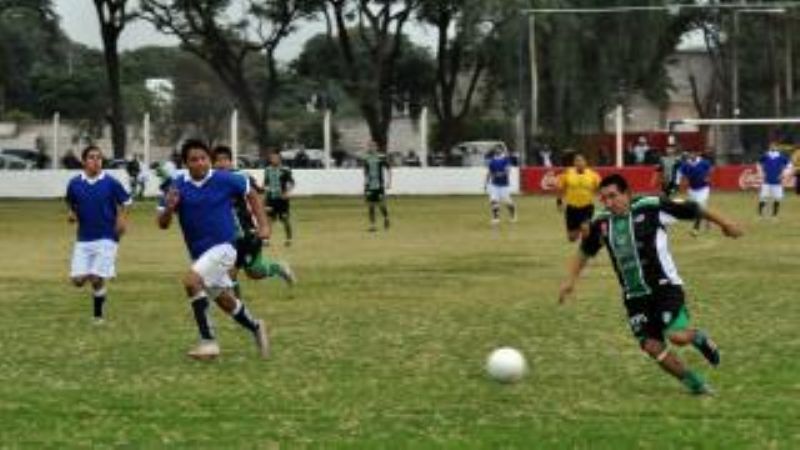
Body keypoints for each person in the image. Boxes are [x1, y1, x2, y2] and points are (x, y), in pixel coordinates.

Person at [558, 174, 743, 395]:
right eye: (604, 198)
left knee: (677, 336)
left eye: (613, 196)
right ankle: (696, 384)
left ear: (627, 194)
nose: (608, 202)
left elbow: (694, 208)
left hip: (665, 287)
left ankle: (697, 337)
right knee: (652, 346)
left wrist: (726, 224)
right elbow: (584, 251)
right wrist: (570, 280)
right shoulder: (601, 223)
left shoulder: (651, 206)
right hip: (634, 296)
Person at [157, 139, 271, 360]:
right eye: (194, 159)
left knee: (191, 282)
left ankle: (208, 342)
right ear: (185, 163)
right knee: (224, 300)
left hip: (225, 248)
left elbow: (251, 193)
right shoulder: (177, 186)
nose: (200, 163)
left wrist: (264, 225)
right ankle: (257, 327)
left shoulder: (225, 179)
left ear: (208, 159)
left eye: (203, 158)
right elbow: (162, 224)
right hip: (201, 255)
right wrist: (169, 209)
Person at [212, 145, 295, 292]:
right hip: (226, 234)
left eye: (225, 159)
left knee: (254, 272)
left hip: (246, 233)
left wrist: (264, 211)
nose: (221, 163)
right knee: (231, 273)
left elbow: (258, 191)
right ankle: (238, 309)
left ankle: (278, 268)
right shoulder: (210, 181)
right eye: (217, 160)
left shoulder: (240, 177)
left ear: (231, 162)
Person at [65, 145, 132, 323]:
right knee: (78, 281)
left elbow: (127, 201)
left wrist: (121, 219)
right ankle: (101, 273)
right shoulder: (74, 183)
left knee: (95, 278)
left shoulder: (110, 182)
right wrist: (71, 213)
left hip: (107, 236)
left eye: (99, 158)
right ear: (84, 161)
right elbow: (71, 203)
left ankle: (98, 317)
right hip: (84, 238)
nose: (96, 161)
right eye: (92, 157)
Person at [556, 153, 600, 241]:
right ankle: (581, 230)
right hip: (572, 208)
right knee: (572, 238)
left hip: (587, 207)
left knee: (585, 228)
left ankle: (586, 245)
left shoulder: (593, 175)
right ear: (574, 163)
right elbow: (560, 188)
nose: (579, 163)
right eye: (576, 161)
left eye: (581, 160)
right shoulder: (567, 173)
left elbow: (601, 188)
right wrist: (559, 201)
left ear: (585, 162)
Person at [677, 149, 713, 236]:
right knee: (696, 208)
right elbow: (681, 174)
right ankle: (708, 219)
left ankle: (695, 228)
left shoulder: (704, 162)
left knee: (699, 207)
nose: (691, 155)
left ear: (697, 153)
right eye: (690, 153)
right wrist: (680, 184)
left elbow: (710, 169)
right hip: (692, 189)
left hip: (703, 188)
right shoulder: (686, 164)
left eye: (693, 153)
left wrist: (707, 177)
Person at [263, 151, 296, 246]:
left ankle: (289, 239)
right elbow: (266, 183)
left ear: (280, 159)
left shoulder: (285, 169)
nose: (273, 160)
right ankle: (266, 240)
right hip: (271, 198)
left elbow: (291, 183)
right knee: (269, 219)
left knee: (285, 219)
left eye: (276, 158)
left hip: (282, 199)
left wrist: (287, 192)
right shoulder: (268, 170)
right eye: (272, 158)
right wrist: (265, 195)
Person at [756, 144, 792, 218]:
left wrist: (784, 174)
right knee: (763, 197)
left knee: (777, 198)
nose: (773, 147)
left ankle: (774, 215)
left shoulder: (781, 157)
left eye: (774, 146)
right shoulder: (766, 156)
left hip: (777, 182)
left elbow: (789, 165)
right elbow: (758, 163)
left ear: (777, 148)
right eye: (771, 146)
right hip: (767, 181)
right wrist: (761, 172)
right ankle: (760, 214)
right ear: (769, 147)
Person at [484, 146, 517, 225]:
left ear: (501, 151)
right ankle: (496, 218)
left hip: (504, 185)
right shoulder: (492, 161)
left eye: (499, 149)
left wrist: (502, 174)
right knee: (494, 200)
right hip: (494, 184)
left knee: (507, 202)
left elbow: (508, 170)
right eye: (496, 149)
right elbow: (489, 173)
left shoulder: (505, 159)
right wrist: (486, 183)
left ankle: (513, 215)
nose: (497, 150)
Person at [363, 141, 392, 232]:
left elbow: (389, 169)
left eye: (372, 146)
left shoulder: (380, 157)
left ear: (376, 147)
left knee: (381, 204)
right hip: (370, 185)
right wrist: (365, 182)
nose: (370, 148)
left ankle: (386, 218)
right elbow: (365, 172)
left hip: (379, 185)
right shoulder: (366, 158)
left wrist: (389, 182)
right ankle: (372, 225)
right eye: (369, 146)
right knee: (370, 205)